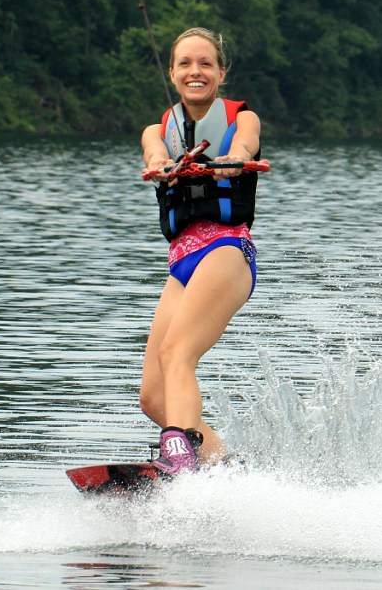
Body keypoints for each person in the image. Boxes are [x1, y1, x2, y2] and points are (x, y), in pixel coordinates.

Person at [139, 27, 262, 475]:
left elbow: (246, 144)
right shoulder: (158, 130)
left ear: (221, 72)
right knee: (153, 395)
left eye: (205, 63)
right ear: (172, 72)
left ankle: (179, 457)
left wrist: (233, 158)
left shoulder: (241, 118)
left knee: (177, 353)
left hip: (226, 251)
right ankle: (227, 468)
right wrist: (160, 165)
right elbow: (154, 153)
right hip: (182, 264)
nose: (196, 71)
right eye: (185, 63)